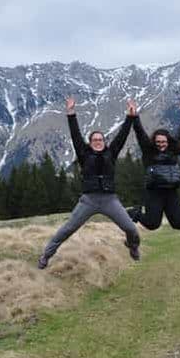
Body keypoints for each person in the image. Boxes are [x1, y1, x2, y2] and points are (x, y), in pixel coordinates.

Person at [38, 97, 140, 269]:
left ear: (104, 142)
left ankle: (133, 247)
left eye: (101, 139)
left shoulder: (111, 152)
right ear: (90, 142)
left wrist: (130, 117)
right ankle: (46, 256)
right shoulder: (84, 153)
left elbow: (122, 136)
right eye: (95, 140)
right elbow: (76, 135)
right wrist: (71, 113)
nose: (98, 142)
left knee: (131, 229)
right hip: (89, 200)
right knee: (67, 229)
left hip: (110, 200)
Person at [126, 100, 180, 230]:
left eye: (163, 141)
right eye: (158, 141)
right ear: (154, 142)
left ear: (168, 141)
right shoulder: (149, 152)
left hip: (171, 192)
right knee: (152, 224)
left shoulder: (173, 150)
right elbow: (140, 133)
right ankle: (134, 213)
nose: (161, 144)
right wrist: (134, 116)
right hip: (153, 193)